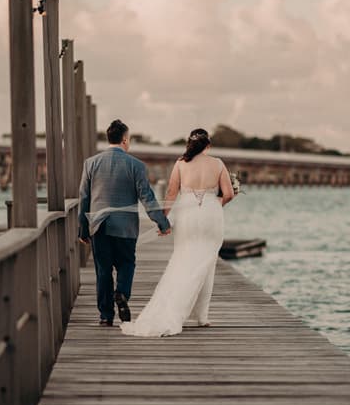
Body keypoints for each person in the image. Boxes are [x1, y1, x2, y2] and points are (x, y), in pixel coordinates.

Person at [121, 128, 235, 337]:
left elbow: (172, 193)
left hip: (188, 215)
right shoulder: (218, 164)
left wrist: (163, 220)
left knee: (183, 258)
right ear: (207, 145)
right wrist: (215, 203)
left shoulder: (181, 164)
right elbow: (228, 194)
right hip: (211, 214)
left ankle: (173, 308)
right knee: (206, 262)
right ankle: (202, 317)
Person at [78, 119, 171, 327]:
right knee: (126, 264)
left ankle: (105, 316)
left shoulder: (91, 163)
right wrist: (162, 223)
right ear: (125, 140)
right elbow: (147, 197)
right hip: (126, 227)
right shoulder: (136, 165)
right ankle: (121, 293)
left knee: (102, 271)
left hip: (98, 226)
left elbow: (83, 198)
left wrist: (83, 229)